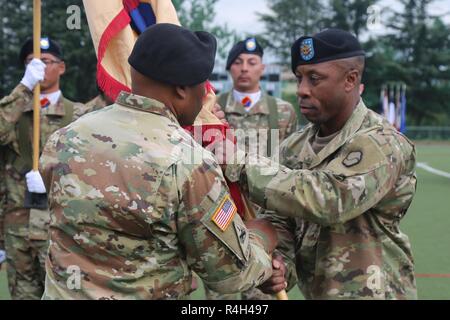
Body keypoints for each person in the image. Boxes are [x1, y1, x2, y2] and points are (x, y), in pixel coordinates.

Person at [39, 23, 277, 300]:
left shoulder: (64, 138)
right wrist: (261, 237)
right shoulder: (187, 161)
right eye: (204, 86)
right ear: (182, 90)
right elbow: (230, 275)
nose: (206, 97)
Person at [215, 28, 417, 300]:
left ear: (350, 79)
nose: (301, 90)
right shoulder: (295, 147)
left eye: (315, 79)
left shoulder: (381, 142)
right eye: (299, 78)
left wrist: (239, 162)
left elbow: (329, 200)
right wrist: (279, 266)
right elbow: (282, 220)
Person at [206, 38, 298, 300]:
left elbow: (288, 166)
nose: (244, 68)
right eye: (237, 62)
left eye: (251, 62)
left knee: (264, 291)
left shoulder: (282, 112)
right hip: (222, 216)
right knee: (222, 291)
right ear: (229, 69)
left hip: (266, 220)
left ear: (262, 68)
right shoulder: (211, 109)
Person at [0, 37, 91, 299]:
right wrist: (24, 86)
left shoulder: (79, 115)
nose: (38, 67)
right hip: (18, 232)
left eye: (45, 62)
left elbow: (91, 173)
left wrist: (54, 178)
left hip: (61, 231)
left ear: (61, 68)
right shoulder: (12, 112)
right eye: (31, 63)